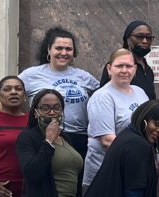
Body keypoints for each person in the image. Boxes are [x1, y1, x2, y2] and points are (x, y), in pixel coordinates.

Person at [19, 26, 99, 154]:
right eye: (58, 48)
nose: (64, 53)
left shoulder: (84, 76)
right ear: (49, 49)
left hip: (80, 139)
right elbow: (1, 100)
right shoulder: (31, 75)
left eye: (68, 49)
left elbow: (102, 96)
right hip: (45, 137)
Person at [83, 48, 146, 188]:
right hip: (106, 174)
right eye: (119, 66)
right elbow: (107, 140)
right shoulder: (102, 97)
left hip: (132, 169)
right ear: (109, 69)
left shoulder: (140, 93)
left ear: (135, 69)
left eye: (129, 66)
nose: (124, 70)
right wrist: (142, 152)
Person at [100, 20, 157, 101]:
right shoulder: (116, 67)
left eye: (148, 38)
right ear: (128, 39)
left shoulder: (148, 70)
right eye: (139, 37)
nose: (145, 41)